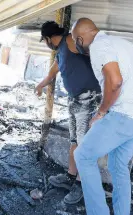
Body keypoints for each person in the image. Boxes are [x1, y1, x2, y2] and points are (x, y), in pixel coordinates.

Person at [71, 18, 133, 215]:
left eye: (75, 41)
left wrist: (101, 112)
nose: (76, 45)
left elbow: (115, 81)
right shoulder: (123, 43)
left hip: (125, 115)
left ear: (80, 38)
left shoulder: (99, 46)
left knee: (82, 156)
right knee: (117, 165)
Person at [35, 21, 102, 204]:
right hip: (75, 100)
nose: (46, 44)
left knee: (84, 144)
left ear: (48, 38)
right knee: (74, 140)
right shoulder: (60, 52)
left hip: (88, 98)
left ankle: (82, 185)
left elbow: (94, 52)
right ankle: (71, 177)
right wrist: (41, 85)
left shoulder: (70, 41)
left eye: (45, 41)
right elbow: (52, 74)